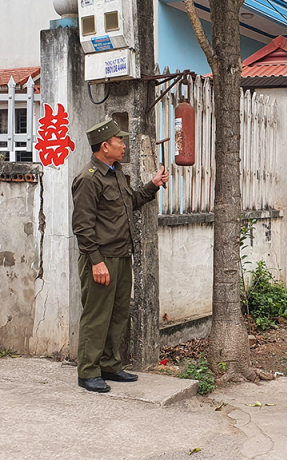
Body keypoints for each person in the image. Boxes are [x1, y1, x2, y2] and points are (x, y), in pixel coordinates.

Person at [72, 119, 169, 393]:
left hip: (121, 255)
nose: (124, 145)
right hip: (101, 258)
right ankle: (88, 372)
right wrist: (96, 261)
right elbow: (82, 226)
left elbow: (131, 203)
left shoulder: (116, 173)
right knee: (96, 315)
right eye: (119, 141)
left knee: (118, 314)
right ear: (105, 146)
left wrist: (152, 185)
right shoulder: (88, 179)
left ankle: (109, 365)